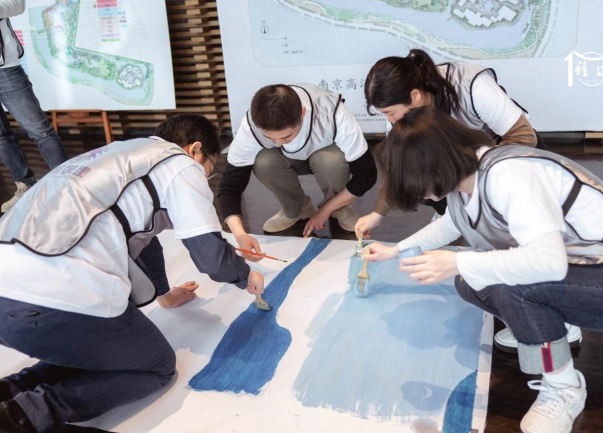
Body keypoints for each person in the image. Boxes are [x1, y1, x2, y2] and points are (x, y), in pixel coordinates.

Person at [364, 105, 603, 433]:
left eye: (417, 183)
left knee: (514, 288)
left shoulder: (509, 175)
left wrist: (457, 261)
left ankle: (565, 387)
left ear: (435, 162)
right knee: (470, 281)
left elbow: (548, 262)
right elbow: (450, 225)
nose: (421, 195)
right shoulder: (463, 179)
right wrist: (395, 250)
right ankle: (548, 326)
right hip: (590, 270)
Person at [0, 114, 265, 433]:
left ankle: (12, 390)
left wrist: (164, 294)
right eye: (210, 167)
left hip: (9, 299)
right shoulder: (181, 165)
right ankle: (24, 415)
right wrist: (245, 276)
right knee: (157, 367)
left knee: (101, 354)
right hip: (54, 298)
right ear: (195, 149)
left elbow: (143, 236)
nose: (207, 175)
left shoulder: (123, 154)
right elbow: (211, 256)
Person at [354, 48, 581, 352]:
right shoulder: (409, 123)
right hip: (469, 169)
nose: (389, 120)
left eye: (390, 112)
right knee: (469, 275)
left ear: (416, 96)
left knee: (501, 249)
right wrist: (392, 244)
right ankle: (533, 310)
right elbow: (446, 221)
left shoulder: (470, 87)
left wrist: (461, 257)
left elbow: (523, 137)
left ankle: (558, 323)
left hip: (507, 160)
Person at [217, 83, 377, 259]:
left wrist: (325, 210)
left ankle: (339, 208)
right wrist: (240, 235)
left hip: (325, 158)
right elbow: (229, 188)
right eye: (269, 137)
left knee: (331, 161)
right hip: (284, 161)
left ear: (302, 113)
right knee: (263, 161)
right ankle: (296, 209)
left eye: (286, 136)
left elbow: (367, 175)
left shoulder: (332, 112)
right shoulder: (251, 126)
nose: (279, 143)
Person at [0, 0, 68, 213]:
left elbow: (17, 4)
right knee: (1, 137)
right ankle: (25, 186)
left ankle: (67, 184)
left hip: (6, 69)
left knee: (39, 130)